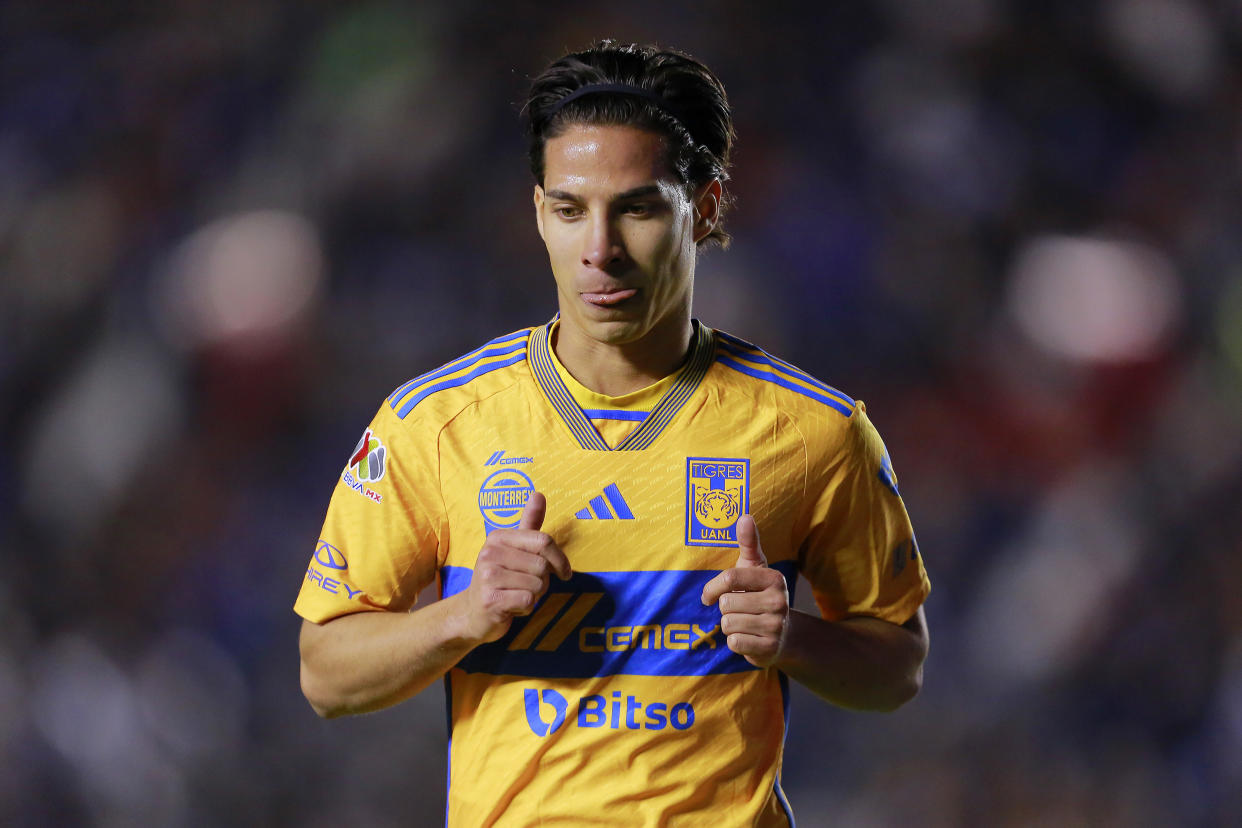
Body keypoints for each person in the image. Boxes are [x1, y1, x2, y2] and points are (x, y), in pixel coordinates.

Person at [295, 40, 930, 826]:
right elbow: (325, 675)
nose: (599, 248)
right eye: (569, 209)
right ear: (538, 213)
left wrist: (792, 638)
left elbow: (898, 664)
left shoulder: (814, 432)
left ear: (701, 207)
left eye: (636, 207)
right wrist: (464, 615)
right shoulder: (435, 422)